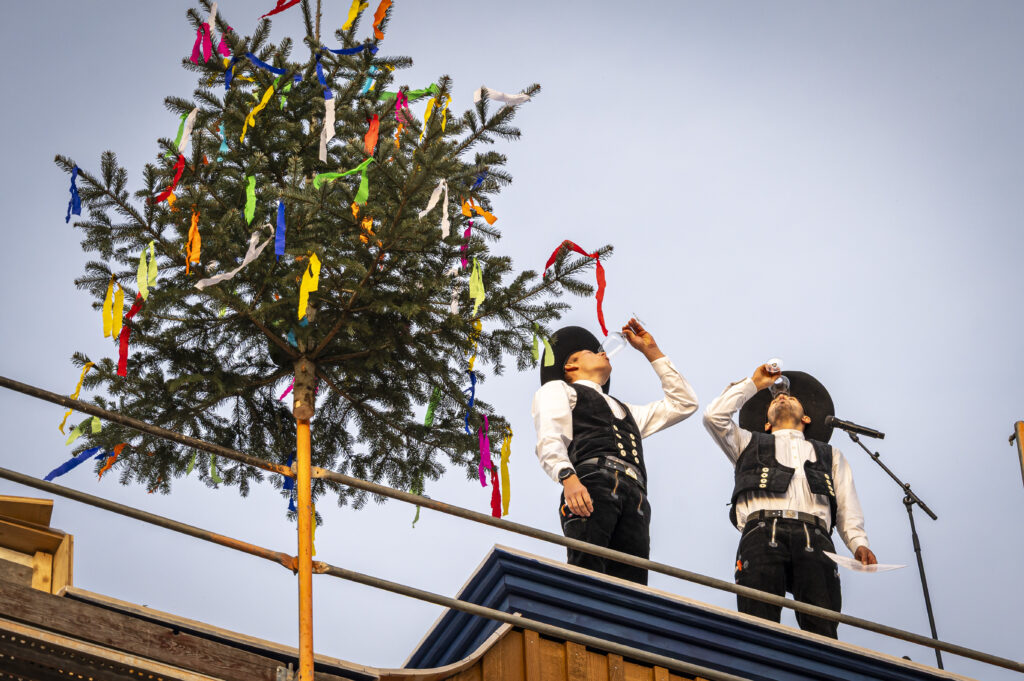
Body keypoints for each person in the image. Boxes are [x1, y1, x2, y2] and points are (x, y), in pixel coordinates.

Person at [702, 364, 877, 638]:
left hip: (815, 536)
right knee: (757, 624)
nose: (781, 397)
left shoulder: (830, 454)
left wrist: (858, 542)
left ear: (806, 418)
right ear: (767, 423)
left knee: (823, 628)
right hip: (762, 531)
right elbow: (714, 417)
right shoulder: (747, 443)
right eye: (774, 399)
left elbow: (846, 503)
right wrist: (753, 384)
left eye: (791, 398)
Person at [531, 319, 698, 584]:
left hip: (637, 496)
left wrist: (651, 351)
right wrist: (568, 478)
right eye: (590, 352)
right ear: (570, 366)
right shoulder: (560, 390)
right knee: (587, 570)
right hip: (592, 483)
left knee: (632, 584)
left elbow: (684, 403)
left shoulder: (627, 410)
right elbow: (550, 436)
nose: (602, 352)